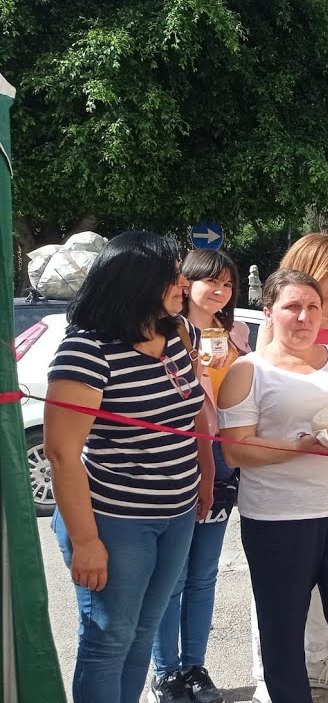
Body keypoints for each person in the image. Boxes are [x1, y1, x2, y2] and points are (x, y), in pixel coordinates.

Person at [45, 231, 212, 703]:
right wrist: (85, 541)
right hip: (115, 522)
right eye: (173, 274)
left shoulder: (177, 335)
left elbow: (191, 415)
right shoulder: (87, 351)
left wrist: (203, 479)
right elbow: (61, 454)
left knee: (142, 634)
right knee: (109, 640)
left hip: (176, 516)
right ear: (140, 282)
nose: (184, 282)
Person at [218, 269, 328, 703]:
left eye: (313, 307)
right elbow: (235, 451)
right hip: (279, 518)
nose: (304, 317)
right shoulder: (247, 371)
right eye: (292, 306)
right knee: (282, 631)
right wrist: (300, 448)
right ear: (269, 312)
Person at [253, 232, 328, 695]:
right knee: (283, 608)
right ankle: (280, 680)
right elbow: (263, 404)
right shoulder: (279, 326)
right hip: (284, 498)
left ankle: (324, 669)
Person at [150, 249, 252, 703]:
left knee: (204, 573)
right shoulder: (163, 334)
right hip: (179, 462)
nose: (220, 291)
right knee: (169, 576)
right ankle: (165, 673)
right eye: (211, 280)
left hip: (224, 461)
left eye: (228, 284)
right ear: (184, 282)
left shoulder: (237, 334)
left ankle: (194, 667)